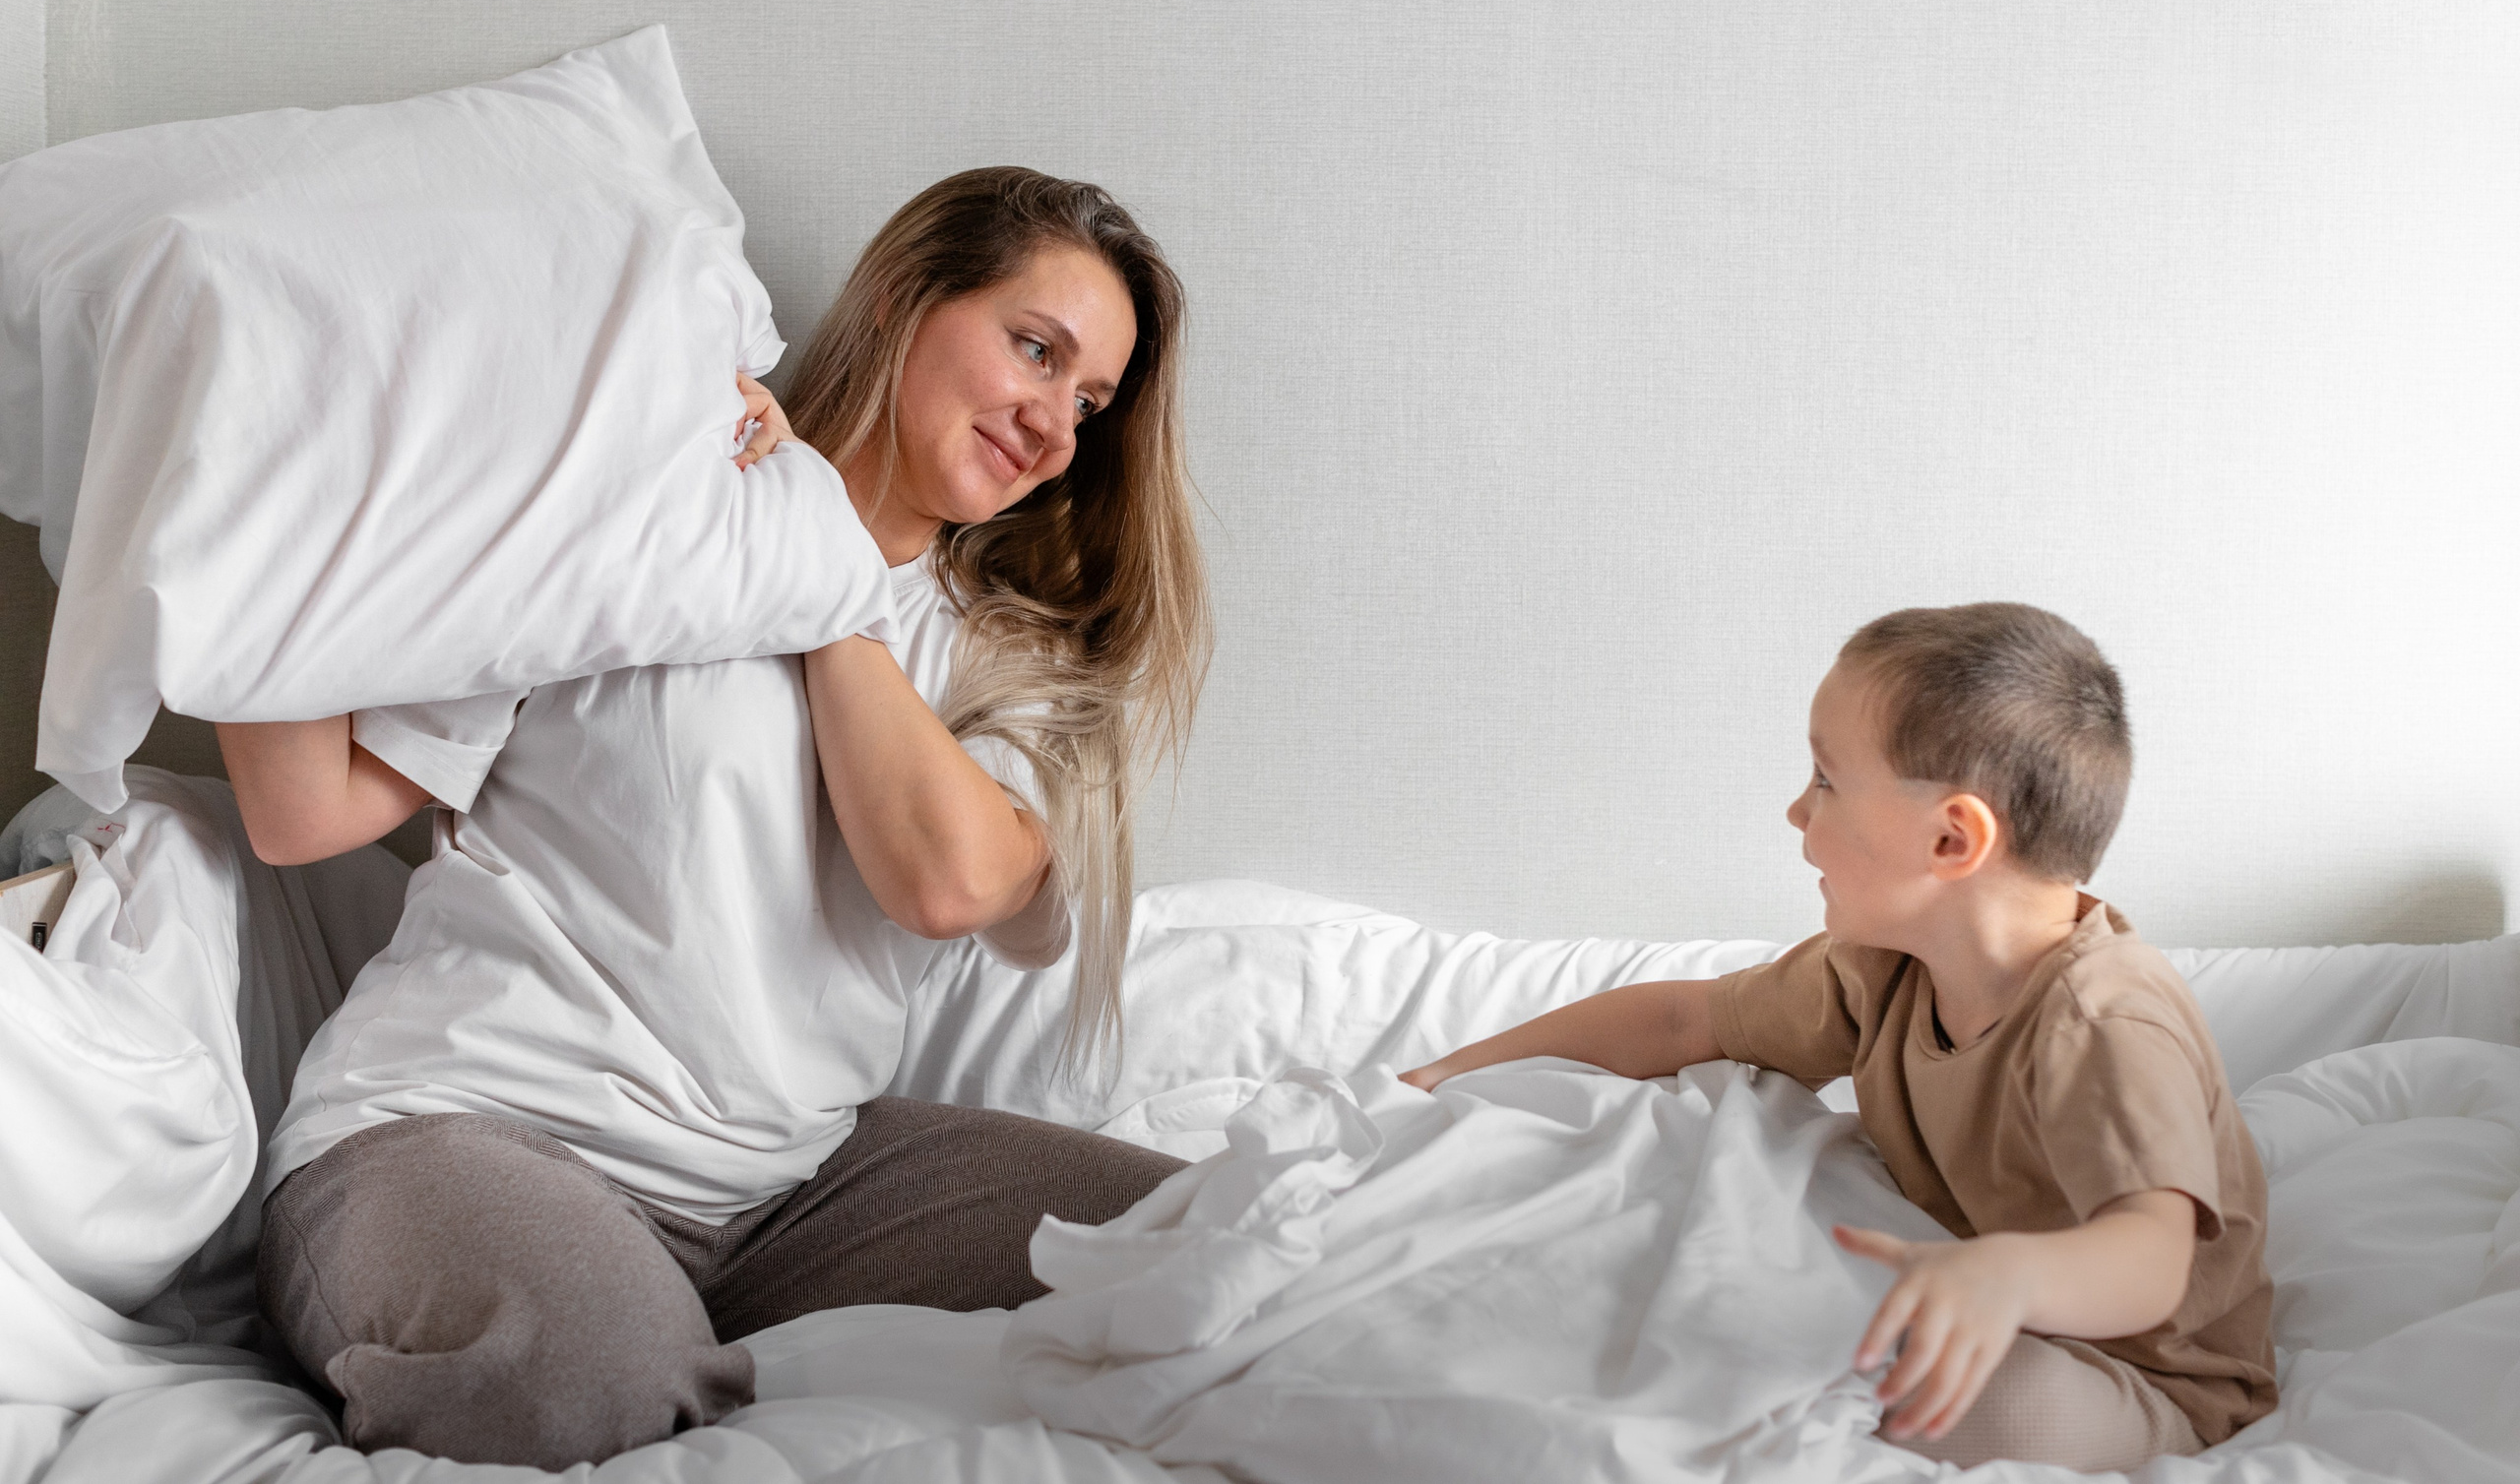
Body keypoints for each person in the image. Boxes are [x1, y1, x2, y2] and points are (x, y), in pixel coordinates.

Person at [217, 167, 1212, 1469]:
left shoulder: (1014, 654)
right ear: (911, 297)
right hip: (469, 1124)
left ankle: (657, 1306)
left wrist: (812, 555)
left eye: (1089, 401)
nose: (1054, 424)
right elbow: (307, 813)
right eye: (1035, 349)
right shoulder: (646, 508)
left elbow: (950, 879)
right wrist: (253, 471)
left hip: (790, 1186)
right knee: (582, 1389)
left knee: (1213, 1242)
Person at [1400, 603, 2276, 1472]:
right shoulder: (1881, 966)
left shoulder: (2102, 1018)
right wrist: (1448, 1072)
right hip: (1964, 1280)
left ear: (1951, 837)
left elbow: (2153, 1258)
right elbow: (1688, 1019)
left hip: (2143, 1370)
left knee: (1934, 1400)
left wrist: (2007, 1278)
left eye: (1825, 778)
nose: (1794, 808)